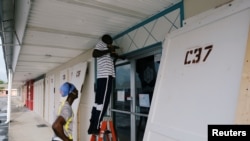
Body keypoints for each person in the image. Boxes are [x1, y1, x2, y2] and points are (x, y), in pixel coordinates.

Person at [87, 34, 121, 135]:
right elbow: (94, 54)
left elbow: (111, 56)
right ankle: (96, 127)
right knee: (103, 103)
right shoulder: (101, 44)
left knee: (97, 103)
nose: (111, 44)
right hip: (106, 76)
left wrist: (117, 55)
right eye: (110, 42)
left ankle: (92, 125)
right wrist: (109, 50)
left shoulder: (105, 47)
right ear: (106, 40)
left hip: (102, 77)